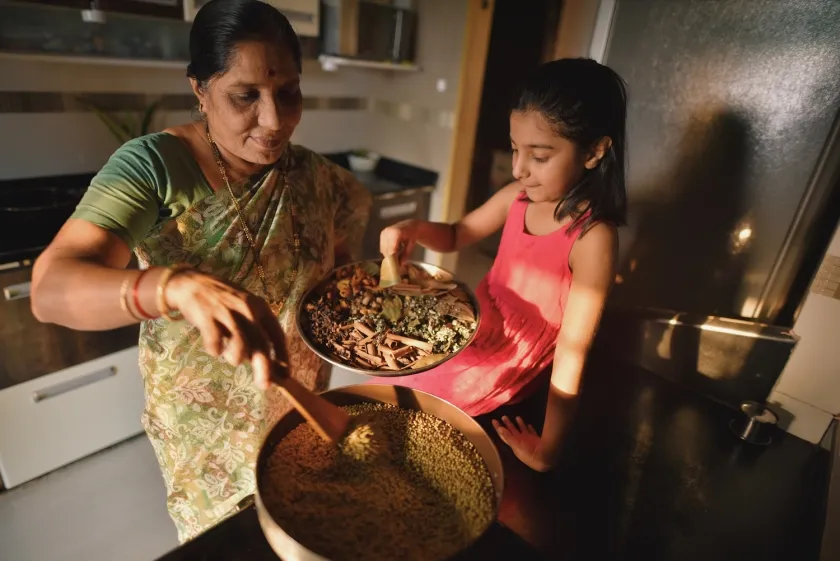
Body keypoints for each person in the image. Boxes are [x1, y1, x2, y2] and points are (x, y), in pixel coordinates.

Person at [30, 0, 371, 542]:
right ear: (200, 89)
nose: (274, 120)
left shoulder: (312, 174)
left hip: (297, 399)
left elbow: (342, 248)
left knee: (300, 530)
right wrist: (171, 286)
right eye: (245, 96)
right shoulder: (153, 166)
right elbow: (50, 288)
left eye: (288, 92)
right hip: (205, 427)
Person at [379, 58, 627, 472]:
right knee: (389, 360)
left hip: (507, 356)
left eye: (539, 156)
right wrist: (414, 228)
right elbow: (457, 234)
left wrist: (547, 450)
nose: (518, 169)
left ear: (594, 151)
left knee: (408, 396)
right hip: (473, 322)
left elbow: (572, 354)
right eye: (515, 149)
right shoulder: (517, 196)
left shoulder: (592, 238)